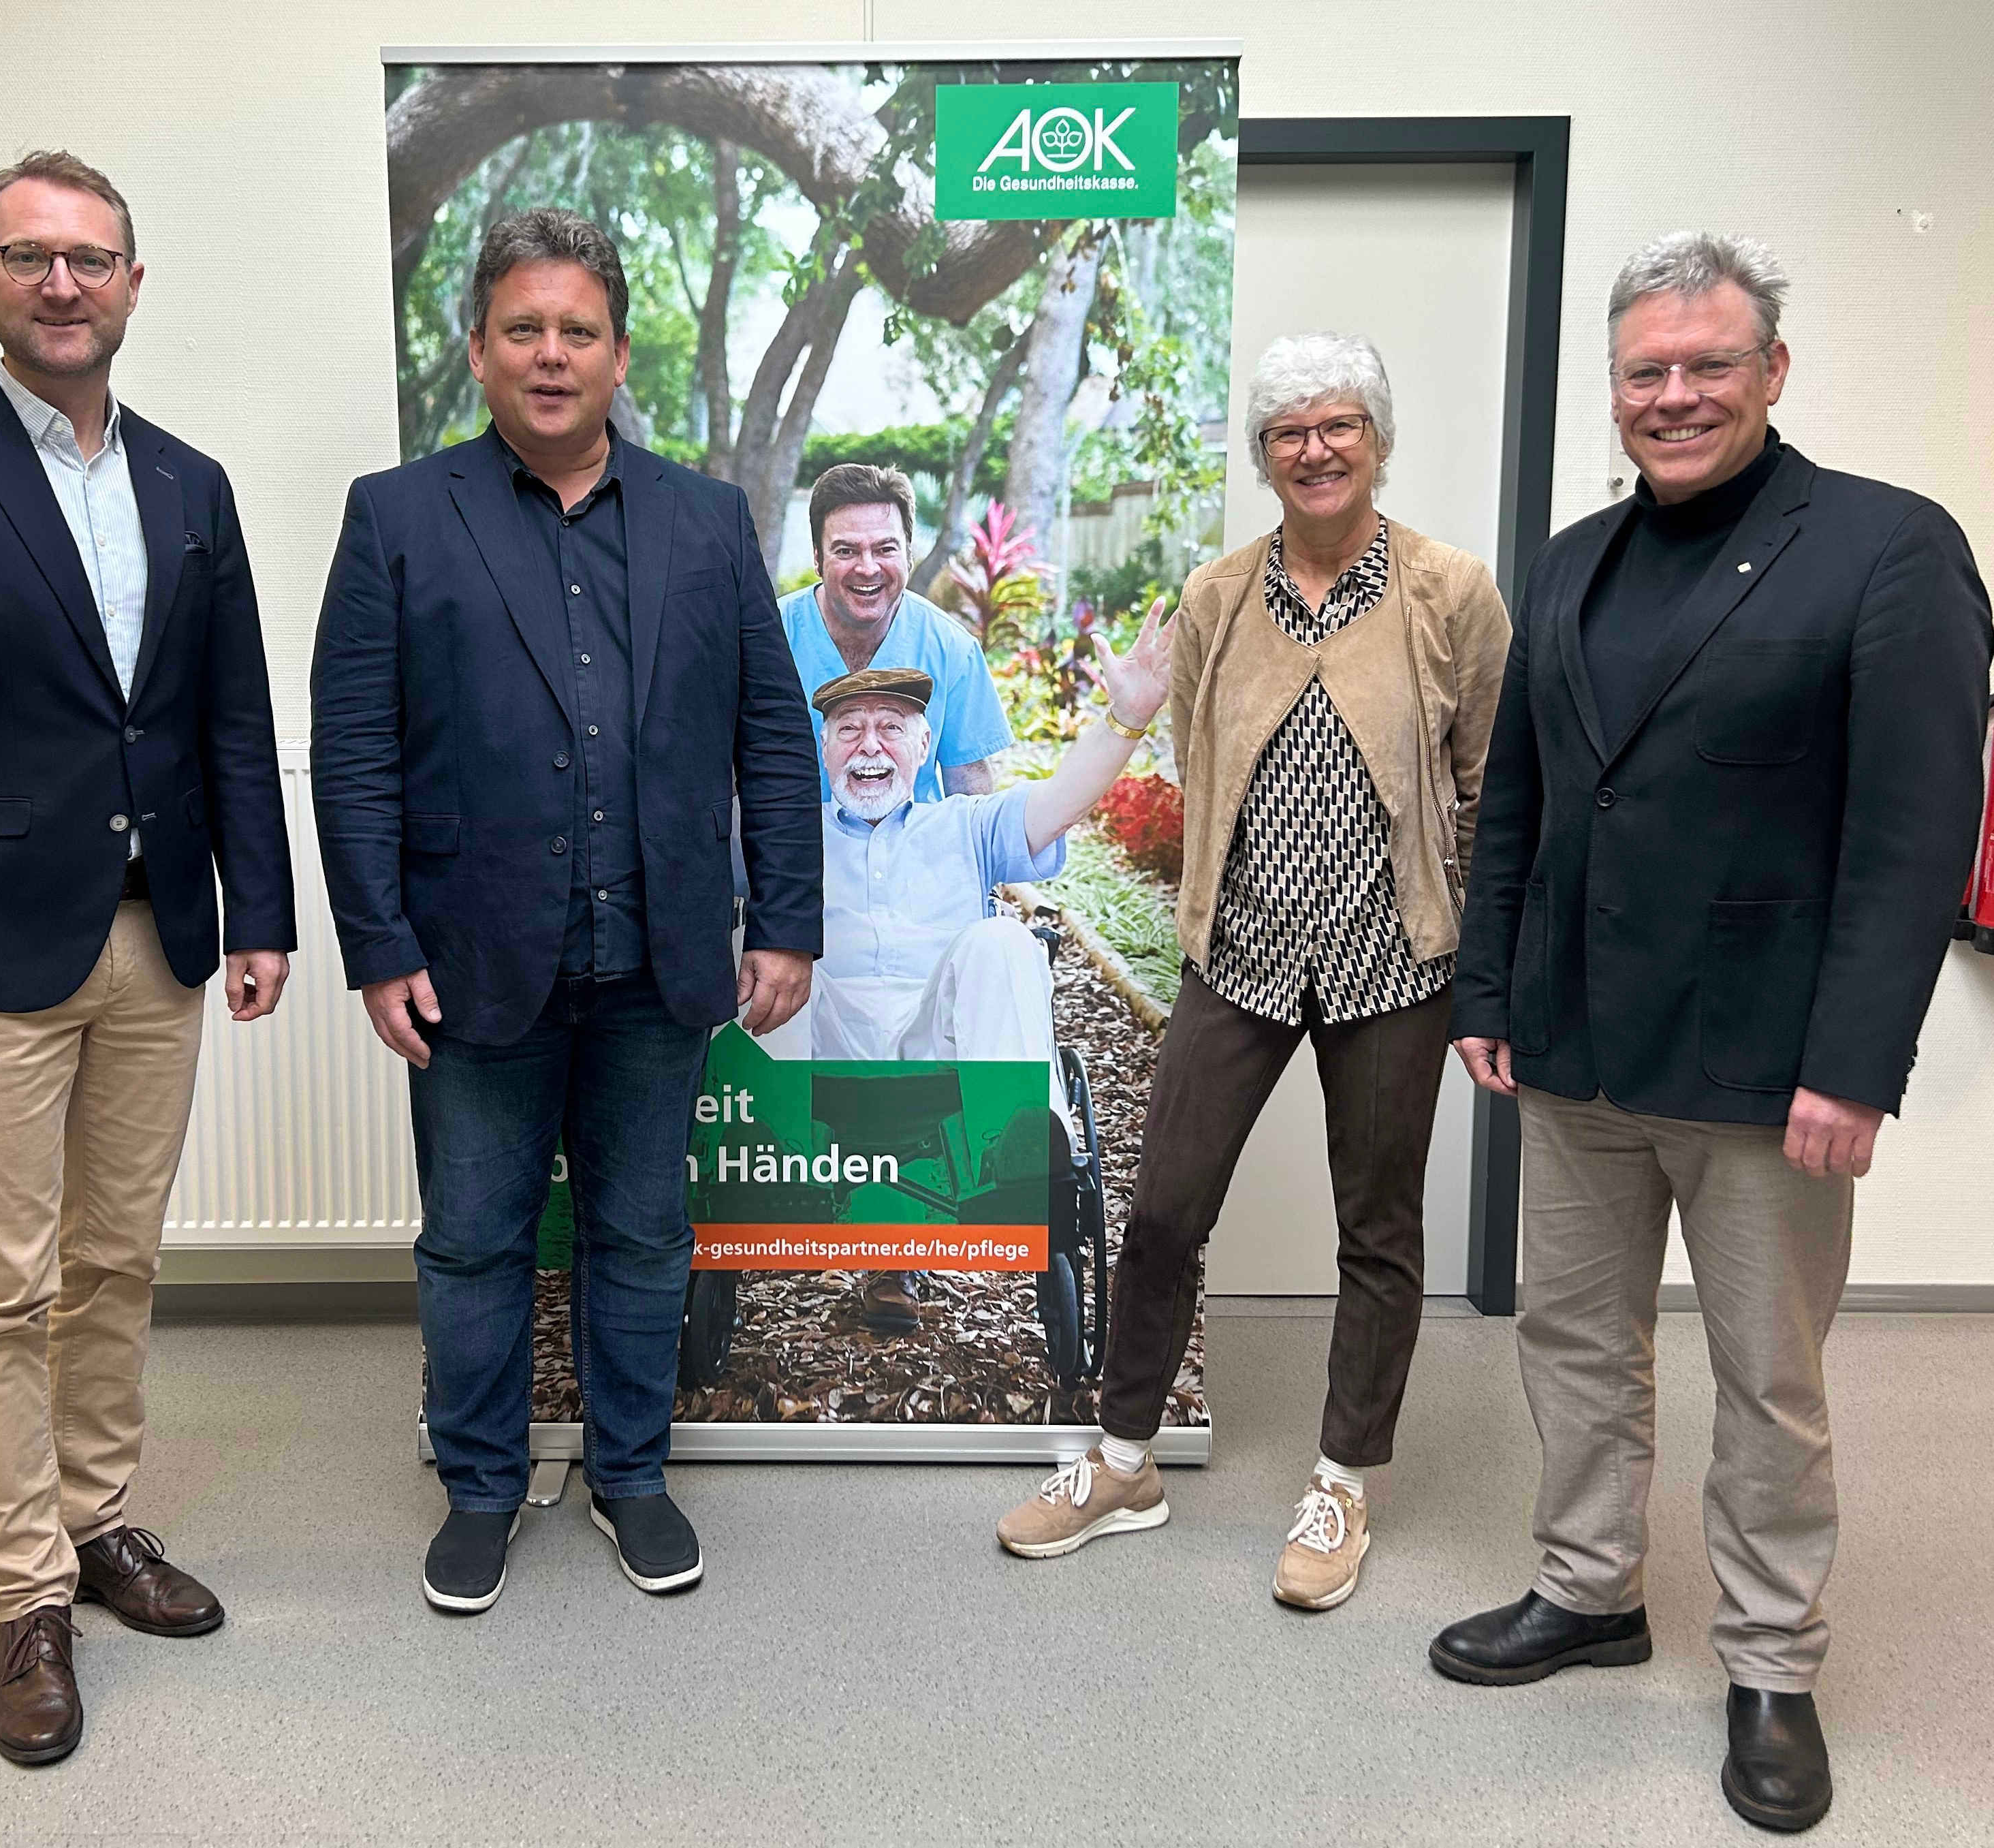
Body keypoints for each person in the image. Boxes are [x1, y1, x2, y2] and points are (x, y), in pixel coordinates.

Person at [1435, 233, 1991, 1834]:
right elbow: (1520, 796)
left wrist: (1855, 1062)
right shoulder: (1569, 561)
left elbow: (1911, 833)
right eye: (1644, 371)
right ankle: (1585, 1586)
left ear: (1770, 371)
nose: (1672, 394)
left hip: (1765, 1061)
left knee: (1766, 1376)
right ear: (1612, 388)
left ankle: (1767, 1663)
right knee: (1571, 1341)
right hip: (1574, 1044)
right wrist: (1487, 989)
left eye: (1705, 364)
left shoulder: (1886, 550)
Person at [0, 151, 296, 1766]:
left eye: (90, 257)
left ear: (133, 282)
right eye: (29, 255)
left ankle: (96, 1519)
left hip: (160, 940)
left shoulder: (188, 482)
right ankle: (26, 1592)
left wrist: (260, 909)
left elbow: (231, 715)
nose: (63, 282)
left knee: (117, 1257)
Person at [311, 208, 822, 1614]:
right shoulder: (397, 516)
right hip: (470, 961)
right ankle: (480, 1486)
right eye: (522, 328)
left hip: (658, 958)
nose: (551, 354)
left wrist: (785, 917)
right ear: (478, 349)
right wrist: (377, 945)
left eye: (577, 330)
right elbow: (354, 750)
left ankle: (630, 1473)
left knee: (643, 1233)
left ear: (617, 354)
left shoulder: (706, 519)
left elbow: (770, 734)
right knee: (474, 1236)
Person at [995, 334, 1511, 1616]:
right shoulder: (1217, 596)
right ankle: (1123, 1462)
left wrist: (1490, 966)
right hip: (1238, 955)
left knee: (1377, 1230)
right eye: (1288, 432)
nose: (1315, 449)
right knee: (1164, 1210)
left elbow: (1491, 788)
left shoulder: (1450, 590)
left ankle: (1341, 1481)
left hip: (1393, 961)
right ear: (1264, 456)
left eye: (1338, 425)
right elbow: (1199, 762)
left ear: (1374, 440)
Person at [795, 601, 1171, 1332]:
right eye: (848, 729)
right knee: (759, 950)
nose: (869, 745)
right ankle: (763, 1174)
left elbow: (1058, 802)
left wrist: (1126, 717)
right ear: (825, 748)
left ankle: (1018, 1145)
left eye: (890, 727)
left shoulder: (964, 825)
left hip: (939, 1051)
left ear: (924, 744)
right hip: (822, 1050)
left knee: (1004, 938)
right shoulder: (789, 834)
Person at [780, 463, 1012, 802]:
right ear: (817, 558)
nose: (867, 568)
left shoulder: (952, 649)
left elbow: (970, 787)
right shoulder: (768, 638)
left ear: (909, 555)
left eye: (885, 549)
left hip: (915, 836)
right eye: (846, 551)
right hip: (791, 836)